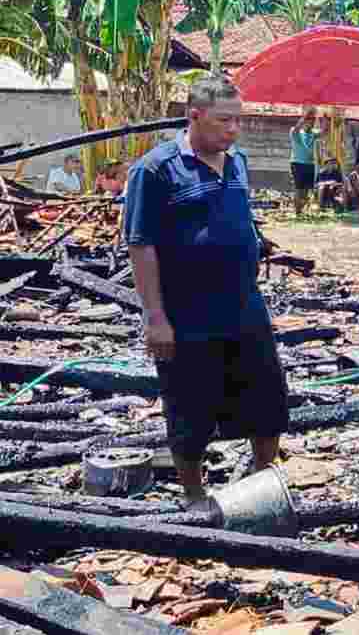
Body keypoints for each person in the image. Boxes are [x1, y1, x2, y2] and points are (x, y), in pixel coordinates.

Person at [124, 75, 288, 510]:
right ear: (193, 116)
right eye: (223, 121)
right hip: (187, 312)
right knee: (189, 405)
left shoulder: (237, 162)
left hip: (243, 303)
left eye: (238, 120)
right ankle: (194, 495)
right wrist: (155, 317)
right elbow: (140, 245)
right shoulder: (156, 169)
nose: (233, 130)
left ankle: (260, 482)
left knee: (267, 395)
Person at [289, 108, 321, 217]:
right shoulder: (296, 132)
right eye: (309, 120)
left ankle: (302, 210)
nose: (311, 122)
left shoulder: (314, 134)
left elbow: (325, 131)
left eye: (313, 120)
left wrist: (330, 120)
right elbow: (295, 129)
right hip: (297, 164)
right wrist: (304, 117)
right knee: (299, 188)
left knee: (307, 190)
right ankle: (298, 212)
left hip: (310, 164)